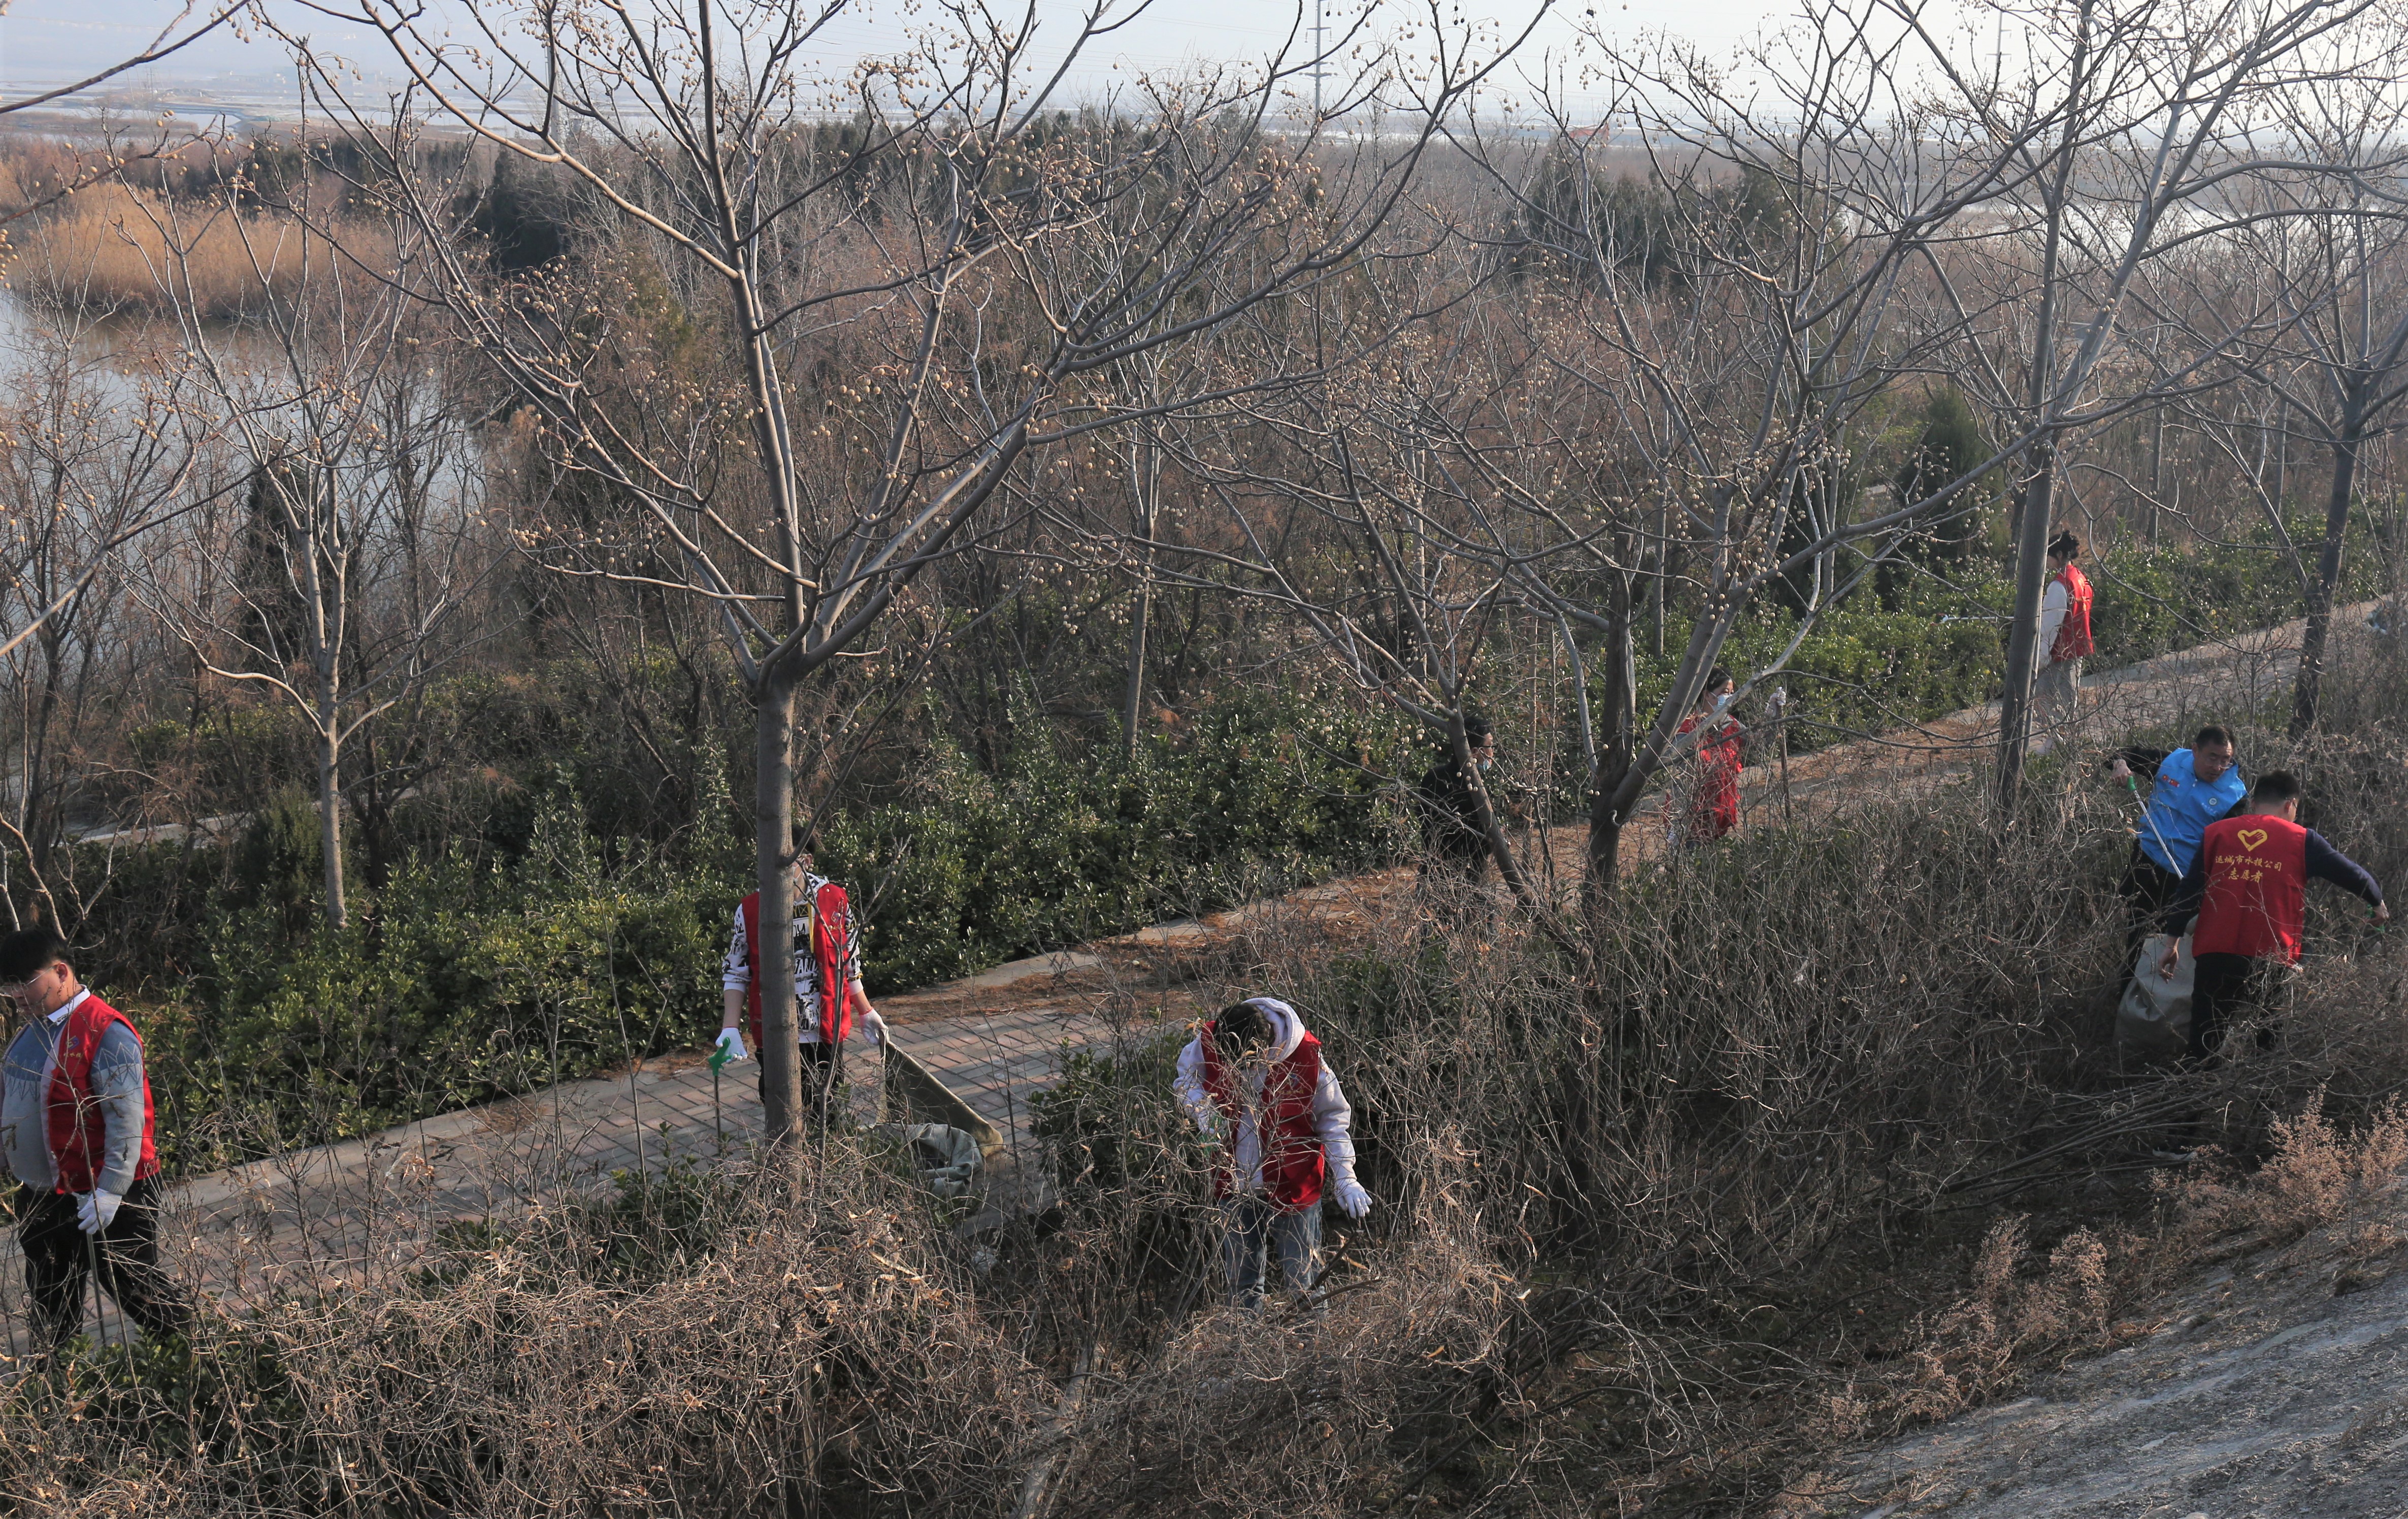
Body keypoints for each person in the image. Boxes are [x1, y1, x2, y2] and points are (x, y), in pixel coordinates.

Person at [0, 925, 192, 1349]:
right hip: (45, 1195)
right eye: (8, 986)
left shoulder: (106, 1031)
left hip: (109, 1193)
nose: (16, 995)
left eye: (24, 982)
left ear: (61, 971)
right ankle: (55, 1378)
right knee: (51, 1297)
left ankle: (196, 1359)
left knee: (136, 1287)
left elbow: (128, 1120)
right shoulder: (30, 1032)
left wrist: (111, 1191)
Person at [2157, 770, 2388, 1063]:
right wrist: (2377, 902)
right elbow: (2354, 875)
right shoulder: (2303, 840)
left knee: (2204, 1042)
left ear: (2254, 803)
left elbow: (2189, 892)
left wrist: (2172, 943)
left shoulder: (2217, 833)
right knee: (2266, 1045)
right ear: (2291, 805)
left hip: (2215, 951)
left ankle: (2196, 1089)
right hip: (2271, 956)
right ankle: (2257, 1091)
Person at [1172, 997, 1372, 1310]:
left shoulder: (1306, 1056)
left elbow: (1332, 1120)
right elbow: (1186, 1080)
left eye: (1247, 1062)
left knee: (1304, 1283)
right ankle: (1245, 1340)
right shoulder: (1209, 1040)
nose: (1240, 1069)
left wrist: (1346, 1176)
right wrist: (1203, 1111)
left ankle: (1313, 1339)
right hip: (1234, 1182)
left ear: (1264, 1047)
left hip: (1295, 1183)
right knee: (1241, 1287)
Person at [716, 826, 888, 1126]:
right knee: (780, 1112)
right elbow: (736, 972)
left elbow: (848, 960)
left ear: (806, 860)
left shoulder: (834, 901)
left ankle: (825, 1155)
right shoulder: (751, 909)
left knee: (827, 1109)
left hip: (825, 1029)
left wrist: (865, 1011)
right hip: (773, 1031)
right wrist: (730, 1027)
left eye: (784, 860)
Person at [2105, 725, 2247, 941]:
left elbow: (2226, 851)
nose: (2218, 767)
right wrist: (2120, 764)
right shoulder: (2171, 762)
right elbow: (2122, 755)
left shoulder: (2235, 797)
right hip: (2145, 862)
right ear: (2195, 750)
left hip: (2184, 880)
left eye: (2225, 760)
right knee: (2136, 936)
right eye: (2212, 758)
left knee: (2166, 944)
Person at [1415, 716, 1507, 882]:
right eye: (1490, 746)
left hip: (1431, 874)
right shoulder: (1473, 789)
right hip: (1464, 879)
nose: (1492, 753)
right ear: (1475, 752)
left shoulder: (1432, 776)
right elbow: (1471, 843)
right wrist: (1495, 838)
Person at [1667, 667, 1743, 851]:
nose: (1729, 697)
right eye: (1724, 692)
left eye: (1732, 692)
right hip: (1693, 821)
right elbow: (1679, 781)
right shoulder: (1688, 732)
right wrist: (1678, 822)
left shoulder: (1732, 725)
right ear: (1707, 695)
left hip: (1722, 817)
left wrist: (1773, 714)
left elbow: (1761, 743)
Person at [2033, 529, 2093, 752]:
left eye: (2049, 555)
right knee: (2067, 701)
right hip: (2077, 648)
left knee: (2044, 700)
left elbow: (2050, 627)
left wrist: (2040, 659)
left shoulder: (2059, 585)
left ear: (2058, 555)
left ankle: (2056, 747)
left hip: (2059, 652)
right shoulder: (2080, 579)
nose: (2047, 561)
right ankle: (2059, 745)